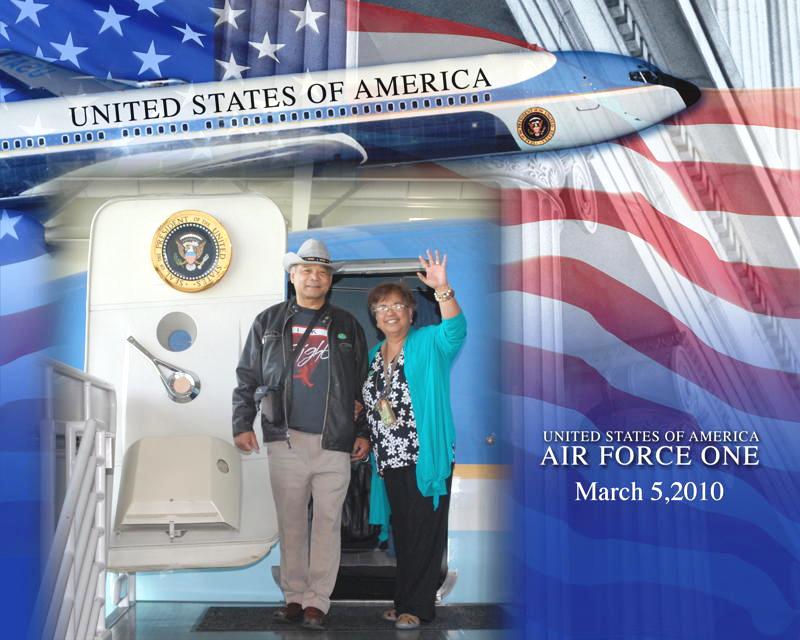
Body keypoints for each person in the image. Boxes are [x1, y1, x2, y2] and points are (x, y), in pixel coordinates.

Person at [232, 238, 370, 630]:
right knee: (291, 522)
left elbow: (360, 383)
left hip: (334, 442)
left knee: (327, 523)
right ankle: (294, 596)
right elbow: (247, 376)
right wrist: (242, 423)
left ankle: (317, 601)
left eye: (322, 272)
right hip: (285, 439)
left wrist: (363, 431)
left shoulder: (347, 324)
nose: (314, 277)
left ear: (329, 280)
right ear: (293, 276)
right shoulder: (268, 322)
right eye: (306, 270)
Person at [364, 250, 466, 630]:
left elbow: (456, 330)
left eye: (397, 306)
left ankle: (419, 607)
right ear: (375, 318)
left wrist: (442, 290)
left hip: (426, 455)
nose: (389, 313)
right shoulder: (376, 355)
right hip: (390, 458)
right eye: (381, 308)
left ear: (411, 312)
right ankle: (404, 600)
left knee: (425, 532)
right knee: (405, 534)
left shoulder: (428, 343)